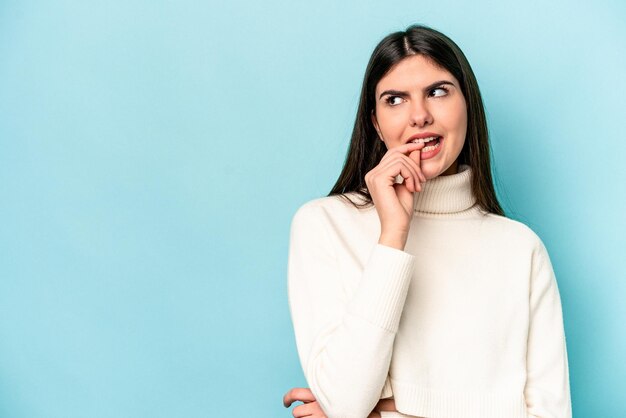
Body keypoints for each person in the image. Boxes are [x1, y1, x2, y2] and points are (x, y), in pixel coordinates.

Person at [283, 24, 572, 418]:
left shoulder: (521, 249)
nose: (419, 116)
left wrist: (391, 412)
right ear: (375, 122)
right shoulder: (324, 225)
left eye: (438, 92)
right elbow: (347, 402)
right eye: (395, 99)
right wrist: (393, 234)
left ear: (467, 103)